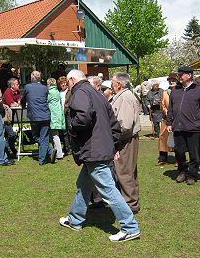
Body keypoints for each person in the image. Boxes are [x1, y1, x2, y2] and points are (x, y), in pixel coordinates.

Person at [59, 69, 140, 242]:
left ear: (72, 80)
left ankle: (130, 227)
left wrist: (71, 127)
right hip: (100, 148)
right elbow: (113, 123)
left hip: (94, 150)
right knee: (84, 184)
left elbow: (83, 118)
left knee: (108, 189)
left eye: (68, 82)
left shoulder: (80, 92)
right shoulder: (98, 94)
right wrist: (115, 145)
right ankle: (75, 219)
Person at [167, 66, 200, 185]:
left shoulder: (199, 89)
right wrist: (169, 122)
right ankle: (182, 171)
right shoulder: (175, 90)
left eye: (181, 75)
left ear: (189, 75)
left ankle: (192, 174)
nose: (179, 77)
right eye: (179, 75)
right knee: (178, 151)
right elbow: (171, 107)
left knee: (194, 153)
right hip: (178, 127)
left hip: (193, 127)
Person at [111, 72, 141, 214]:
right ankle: (130, 201)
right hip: (126, 138)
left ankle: (130, 204)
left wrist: (115, 138)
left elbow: (126, 125)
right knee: (127, 171)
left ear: (119, 84)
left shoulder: (125, 97)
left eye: (113, 82)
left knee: (124, 171)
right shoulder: (125, 96)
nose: (111, 84)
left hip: (126, 139)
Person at [21, 71, 56, 165]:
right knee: (44, 137)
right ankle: (49, 151)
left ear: (32, 78)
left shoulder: (27, 87)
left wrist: (23, 105)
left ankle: (42, 159)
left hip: (34, 116)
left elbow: (23, 99)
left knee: (36, 136)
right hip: (45, 115)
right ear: (40, 78)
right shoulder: (45, 88)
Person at [156, 73, 178, 166]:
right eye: (170, 80)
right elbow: (162, 105)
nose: (171, 82)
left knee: (177, 139)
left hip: (177, 119)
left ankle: (179, 159)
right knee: (162, 137)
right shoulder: (165, 92)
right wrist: (166, 112)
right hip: (166, 119)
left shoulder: (180, 91)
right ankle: (163, 158)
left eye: (173, 80)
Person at [2, 77, 21, 157]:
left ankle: (8, 152)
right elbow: (11, 104)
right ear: (12, 85)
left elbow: (20, 98)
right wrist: (17, 103)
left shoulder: (16, 91)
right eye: (17, 84)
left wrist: (19, 101)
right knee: (11, 134)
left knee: (8, 134)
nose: (18, 85)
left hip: (11, 116)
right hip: (6, 117)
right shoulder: (7, 92)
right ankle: (10, 150)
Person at [47, 78, 65, 159]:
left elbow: (47, 101)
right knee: (55, 134)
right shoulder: (57, 91)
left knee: (54, 135)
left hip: (52, 115)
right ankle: (56, 151)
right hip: (58, 115)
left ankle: (58, 153)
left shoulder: (50, 92)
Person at [57, 76, 71, 155]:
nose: (63, 84)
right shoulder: (59, 92)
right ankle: (66, 147)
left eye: (64, 83)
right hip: (61, 113)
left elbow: (71, 101)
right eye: (61, 83)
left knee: (68, 131)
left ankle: (69, 148)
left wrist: (66, 106)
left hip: (67, 113)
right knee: (63, 131)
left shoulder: (69, 91)